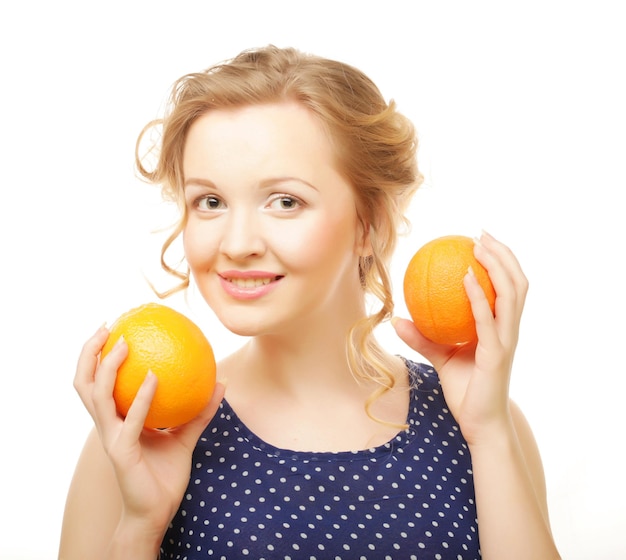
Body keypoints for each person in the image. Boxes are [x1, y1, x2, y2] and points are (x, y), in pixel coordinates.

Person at [59, 45, 560, 559]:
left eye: (284, 201)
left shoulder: (482, 424)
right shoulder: (137, 438)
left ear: (372, 224)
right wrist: (141, 527)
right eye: (209, 202)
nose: (236, 243)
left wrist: (489, 433)